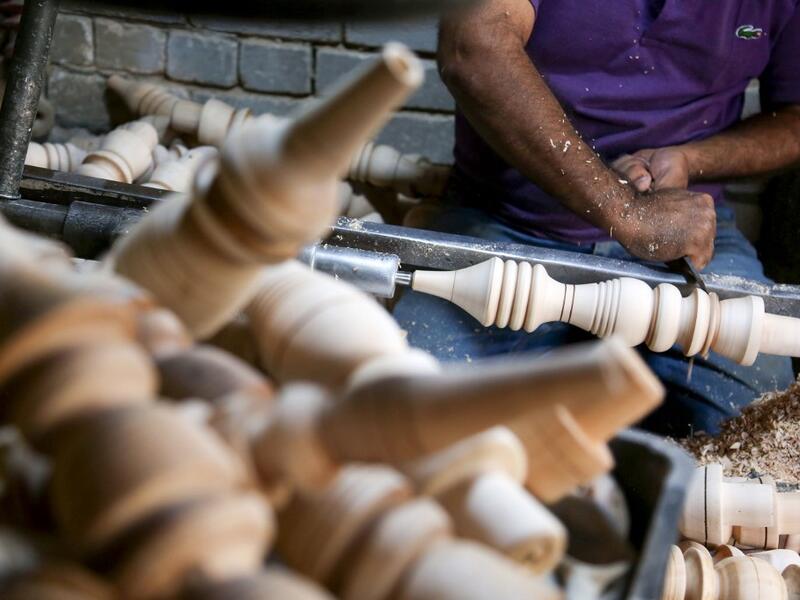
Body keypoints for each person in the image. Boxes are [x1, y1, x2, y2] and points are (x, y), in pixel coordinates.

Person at [393, 0, 800, 436]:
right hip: (510, 222)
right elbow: (473, 47)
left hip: (688, 238)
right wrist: (625, 212)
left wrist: (688, 159)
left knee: (766, 438)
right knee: (397, 419)